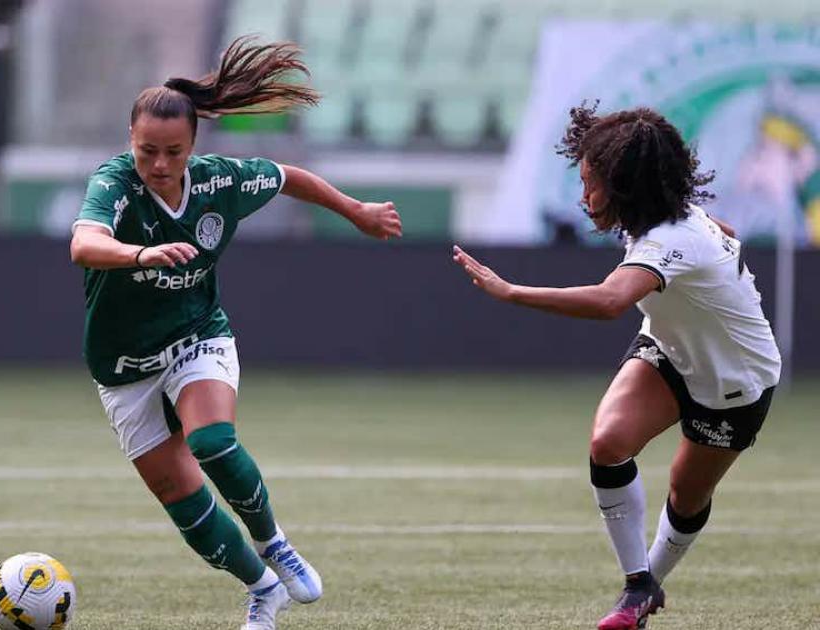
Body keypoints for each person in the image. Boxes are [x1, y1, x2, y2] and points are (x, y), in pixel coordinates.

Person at [69, 36, 403, 630]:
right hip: (122, 365)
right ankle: (262, 587)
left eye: (174, 151)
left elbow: (288, 177)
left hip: (198, 335)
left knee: (212, 441)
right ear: (131, 142)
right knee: (185, 506)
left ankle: (275, 541)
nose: (161, 165)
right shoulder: (115, 183)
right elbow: (84, 244)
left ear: (194, 146)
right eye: (148, 151)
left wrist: (355, 211)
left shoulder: (222, 181)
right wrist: (140, 255)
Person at [453, 103, 780, 630]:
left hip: (734, 380)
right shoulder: (660, 219)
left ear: (627, 186)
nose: (584, 197)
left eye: (592, 184)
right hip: (670, 347)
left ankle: (650, 580)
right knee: (608, 444)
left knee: (686, 491)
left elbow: (609, 301)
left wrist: (510, 291)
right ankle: (637, 589)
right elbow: (726, 231)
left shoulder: (671, 240)